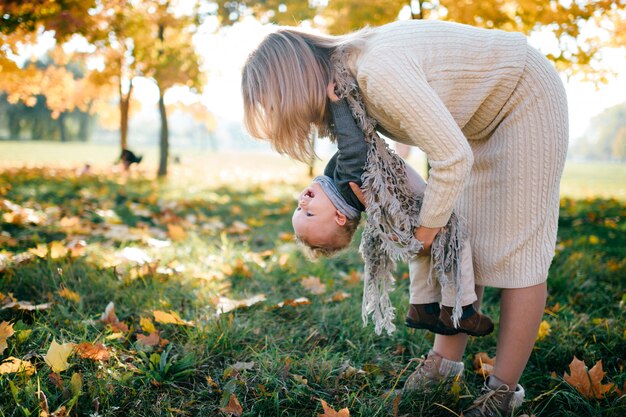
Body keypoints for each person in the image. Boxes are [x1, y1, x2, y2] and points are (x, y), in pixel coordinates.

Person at [242, 19, 568, 417]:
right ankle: (443, 366)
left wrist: (424, 232)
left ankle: (503, 391)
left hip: (523, 96)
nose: (290, 117)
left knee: (520, 254)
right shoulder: (345, 87)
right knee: (462, 236)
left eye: (278, 104)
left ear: (292, 82)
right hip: (473, 121)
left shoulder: (376, 72)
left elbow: (452, 159)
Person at [292, 84, 493, 337]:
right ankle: (461, 310)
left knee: (422, 254)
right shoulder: (347, 180)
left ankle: (422, 306)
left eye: (298, 210)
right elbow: (352, 144)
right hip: (418, 209)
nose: (302, 204)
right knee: (455, 242)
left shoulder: (340, 185)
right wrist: (337, 104)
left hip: (409, 217)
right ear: (339, 217)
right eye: (308, 213)